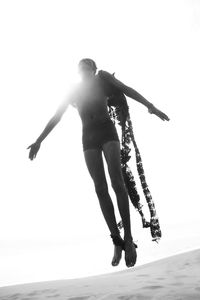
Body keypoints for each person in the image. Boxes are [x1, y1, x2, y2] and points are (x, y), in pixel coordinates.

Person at [27, 58, 170, 268]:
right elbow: (57, 116)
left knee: (117, 183)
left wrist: (150, 106)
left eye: (87, 67)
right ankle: (116, 240)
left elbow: (127, 89)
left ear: (94, 70)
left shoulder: (102, 78)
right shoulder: (73, 90)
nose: (83, 71)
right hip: (88, 138)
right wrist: (39, 140)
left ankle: (129, 239)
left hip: (107, 132)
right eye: (80, 69)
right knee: (100, 189)